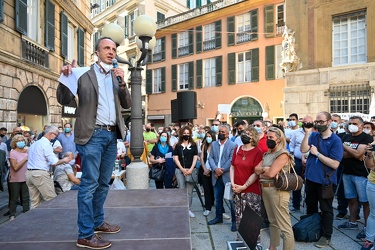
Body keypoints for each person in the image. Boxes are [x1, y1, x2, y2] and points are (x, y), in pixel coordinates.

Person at [57, 36, 131, 249]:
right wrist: (64, 78)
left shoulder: (116, 76)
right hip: (92, 135)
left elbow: (126, 104)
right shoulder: (82, 74)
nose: (111, 51)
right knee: (89, 184)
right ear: (97, 52)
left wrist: (123, 83)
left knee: (103, 181)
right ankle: (85, 234)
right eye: (106, 48)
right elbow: (63, 99)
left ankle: (97, 222)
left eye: (113, 49)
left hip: (111, 135)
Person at [300, 111, 344, 248]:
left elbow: (335, 164)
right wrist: (307, 133)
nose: (318, 124)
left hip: (326, 181)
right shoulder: (313, 135)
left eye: (321, 121)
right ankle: (311, 229)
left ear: (329, 122)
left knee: (326, 209)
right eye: (317, 121)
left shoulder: (336, 141)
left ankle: (326, 236)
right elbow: (303, 149)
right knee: (311, 206)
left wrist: (317, 153)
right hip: (311, 178)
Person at [254, 126, 294, 250]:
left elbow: (271, 174)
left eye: (271, 137)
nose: (268, 140)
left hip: (278, 191)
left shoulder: (283, 154)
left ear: (278, 139)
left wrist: (266, 170)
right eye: (267, 137)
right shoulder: (267, 153)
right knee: (272, 221)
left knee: (284, 225)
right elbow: (256, 169)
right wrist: (265, 169)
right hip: (266, 189)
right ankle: (273, 247)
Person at [339, 116, 373, 240]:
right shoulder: (346, 137)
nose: (351, 125)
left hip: (361, 174)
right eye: (350, 123)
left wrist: (345, 147)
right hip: (347, 173)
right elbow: (341, 155)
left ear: (361, 125)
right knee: (351, 199)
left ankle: (367, 227)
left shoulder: (366, 137)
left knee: (365, 202)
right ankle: (352, 222)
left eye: (354, 123)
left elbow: (359, 155)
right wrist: (352, 152)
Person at [26, 126, 73, 208]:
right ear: (51, 134)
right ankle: (54, 220)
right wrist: (64, 160)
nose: (56, 137)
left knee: (35, 201)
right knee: (52, 199)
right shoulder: (46, 144)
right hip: (40, 173)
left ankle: (34, 219)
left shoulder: (35, 143)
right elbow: (54, 161)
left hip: (29, 173)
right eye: (56, 135)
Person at [230, 127, 263, 230]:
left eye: (248, 134)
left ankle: (254, 242)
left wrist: (243, 187)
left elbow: (255, 173)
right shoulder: (237, 149)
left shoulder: (258, 151)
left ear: (253, 138)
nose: (245, 135)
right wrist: (232, 183)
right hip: (236, 188)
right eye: (244, 133)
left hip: (251, 190)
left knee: (251, 217)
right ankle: (241, 240)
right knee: (239, 216)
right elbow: (232, 166)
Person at [207, 124, 237, 232]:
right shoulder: (214, 144)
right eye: (219, 131)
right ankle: (218, 217)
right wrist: (215, 169)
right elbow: (210, 158)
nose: (220, 133)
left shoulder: (233, 145)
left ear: (228, 134)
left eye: (223, 132)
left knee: (231, 201)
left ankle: (234, 221)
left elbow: (231, 160)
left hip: (227, 176)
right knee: (218, 199)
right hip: (216, 175)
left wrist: (221, 170)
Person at [289, 115, 313, 212]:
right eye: (305, 122)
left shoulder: (315, 133)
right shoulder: (296, 133)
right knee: (296, 183)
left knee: (310, 184)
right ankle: (296, 205)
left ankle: (310, 204)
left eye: (309, 122)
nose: (306, 124)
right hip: (298, 160)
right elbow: (292, 145)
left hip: (311, 160)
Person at [173, 125, 198, 218]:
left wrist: (191, 169)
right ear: (181, 134)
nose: (186, 135)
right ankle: (183, 208)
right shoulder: (178, 145)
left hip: (191, 170)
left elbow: (195, 157)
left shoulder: (194, 145)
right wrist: (182, 169)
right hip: (180, 170)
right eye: (184, 133)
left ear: (190, 134)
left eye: (188, 133)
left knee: (189, 191)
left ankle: (188, 209)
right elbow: (176, 158)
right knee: (181, 190)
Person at [8, 134, 30, 220]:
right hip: (15, 178)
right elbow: (15, 167)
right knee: (14, 197)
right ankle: (12, 214)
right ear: (14, 142)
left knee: (26, 196)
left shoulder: (28, 151)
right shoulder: (13, 153)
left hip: (26, 177)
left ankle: (26, 211)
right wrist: (25, 159)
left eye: (22, 140)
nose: (21, 142)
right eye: (18, 141)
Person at [200, 130, 216, 216]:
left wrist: (210, 169)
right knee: (206, 189)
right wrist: (205, 169)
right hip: (205, 170)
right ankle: (207, 207)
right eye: (207, 136)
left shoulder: (216, 146)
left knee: (214, 189)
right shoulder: (204, 146)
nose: (208, 138)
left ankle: (218, 206)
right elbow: (202, 158)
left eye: (210, 136)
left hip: (213, 170)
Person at [362, 144, 375, 250]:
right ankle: (369, 240)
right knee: (373, 213)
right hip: (373, 184)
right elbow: (369, 165)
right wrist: (370, 155)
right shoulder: (373, 145)